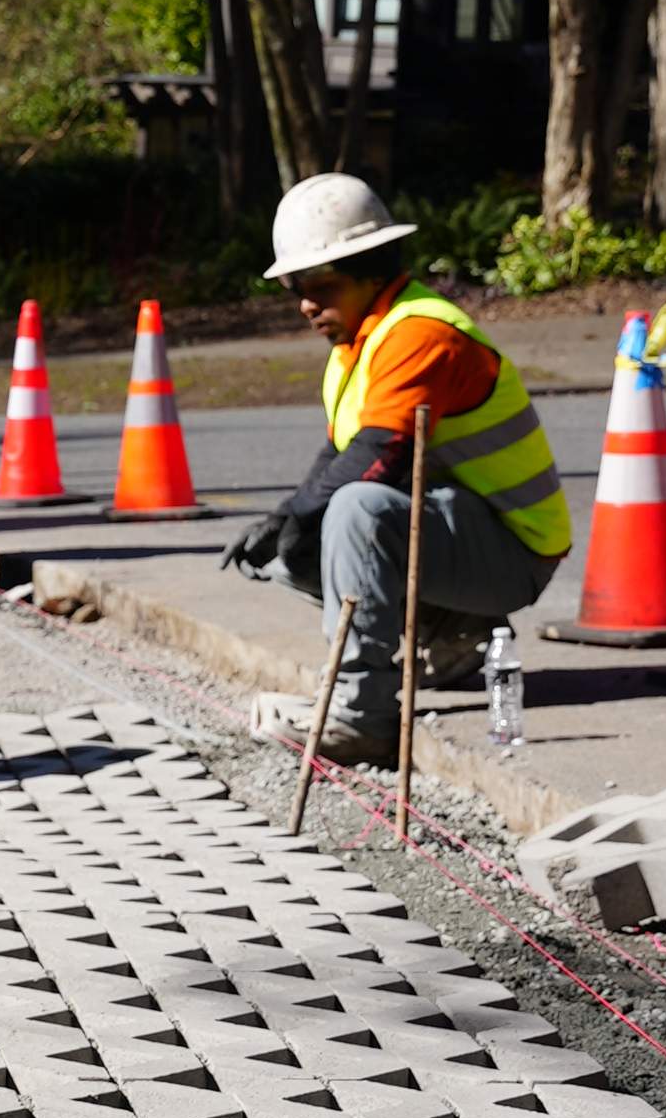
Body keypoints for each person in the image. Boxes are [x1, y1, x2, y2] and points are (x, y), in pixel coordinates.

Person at [227, 174, 571, 761]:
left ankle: (362, 717)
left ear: (372, 270)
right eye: (294, 288)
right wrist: (284, 521)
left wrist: (299, 516)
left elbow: (377, 457)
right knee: (289, 550)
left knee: (355, 509)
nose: (306, 304)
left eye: (321, 286)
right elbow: (341, 451)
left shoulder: (420, 333)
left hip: (515, 553)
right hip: (464, 537)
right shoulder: (358, 343)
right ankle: (452, 636)